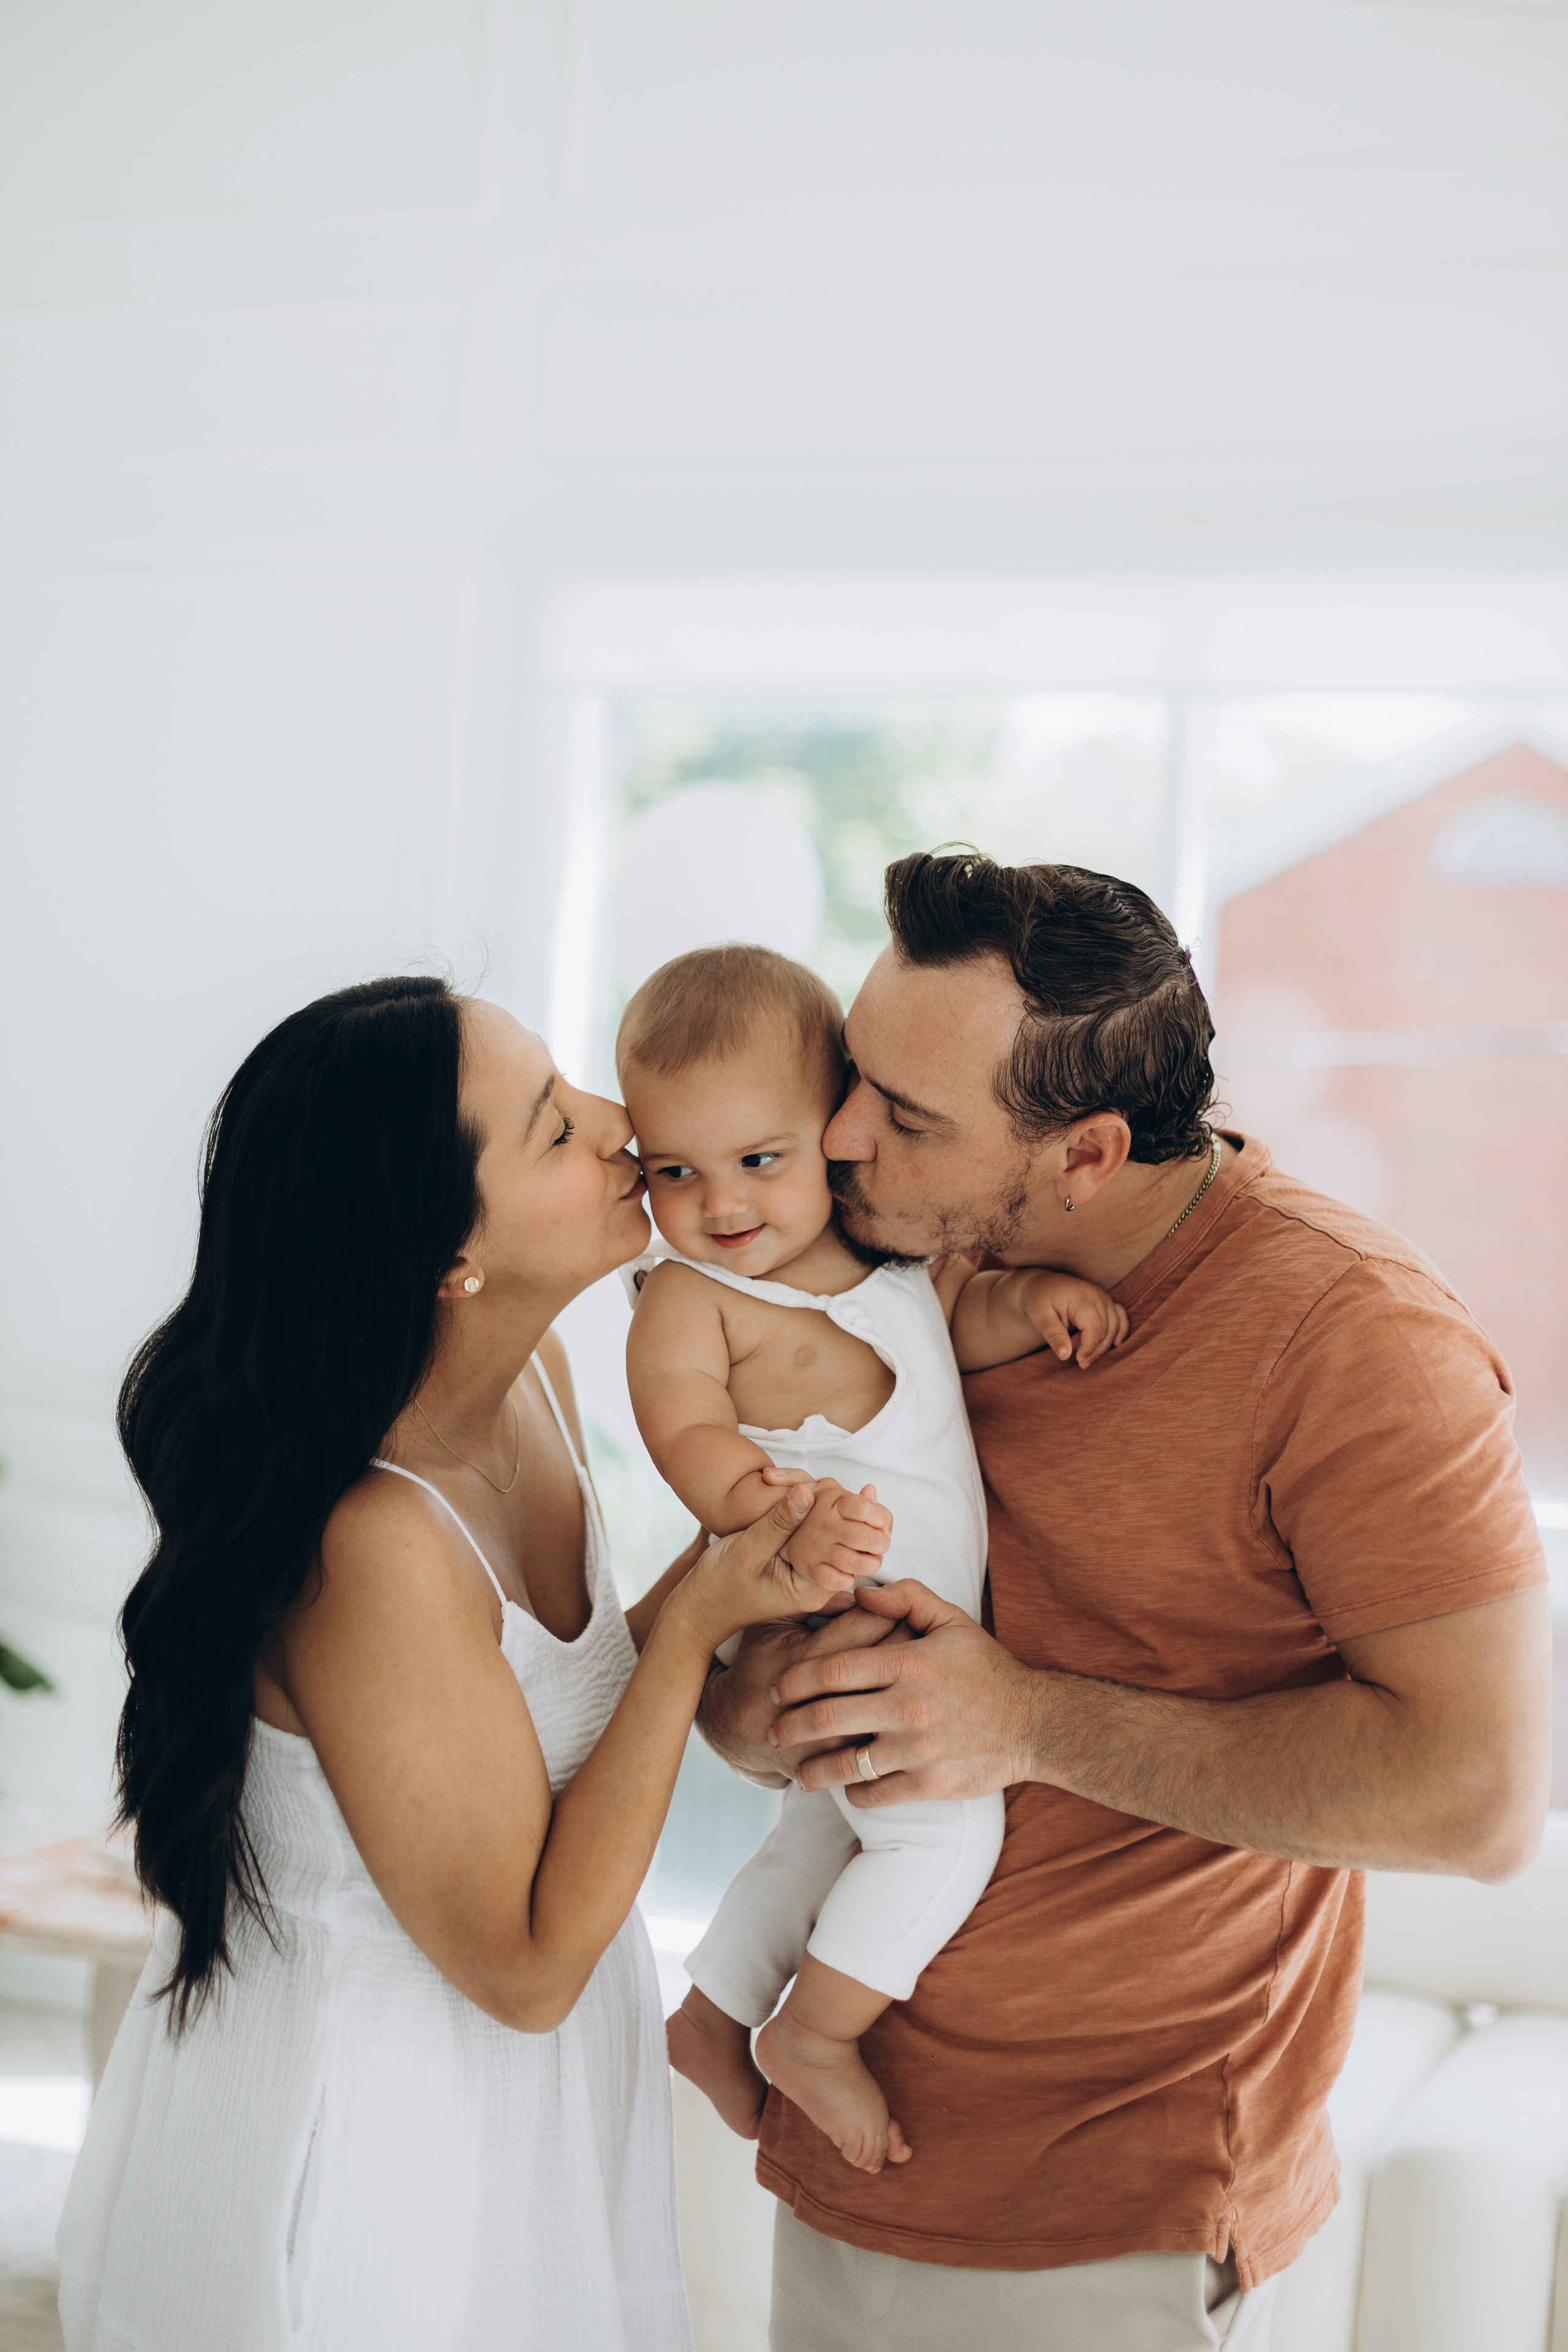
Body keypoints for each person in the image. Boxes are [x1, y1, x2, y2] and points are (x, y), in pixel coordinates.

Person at [699, 851, 1553, 2352]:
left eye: (903, 1118)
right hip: (840, 2153)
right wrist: (762, 1701)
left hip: (1108, 2216)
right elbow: (714, 1647)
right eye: (854, 1079)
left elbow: (1473, 1798)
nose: (833, 1139)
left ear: (1086, 1152)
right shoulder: (887, 1277)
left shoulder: (1352, 1341)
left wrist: (1020, 1723)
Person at [57, 975, 860, 2352]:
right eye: (554, 1127)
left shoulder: (535, 1379)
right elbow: (527, 1963)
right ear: (443, 1252)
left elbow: (561, 1711)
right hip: (372, 2136)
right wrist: (692, 1623)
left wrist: (754, 1566)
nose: (622, 1125)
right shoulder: (373, 1546)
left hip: (520, 2108)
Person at [615, 945, 1125, 2177]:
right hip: (808, 1599)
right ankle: (819, 2037)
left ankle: (711, 2015)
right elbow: (681, 1428)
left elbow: (956, 1325)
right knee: (943, 1840)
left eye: (757, 1161)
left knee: (815, 1841)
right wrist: (768, 1508)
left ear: (829, 1132)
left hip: (886, 1617)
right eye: (674, 1170)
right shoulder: (691, 1298)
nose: (719, 1204)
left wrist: (1036, 1301)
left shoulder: (885, 1255)